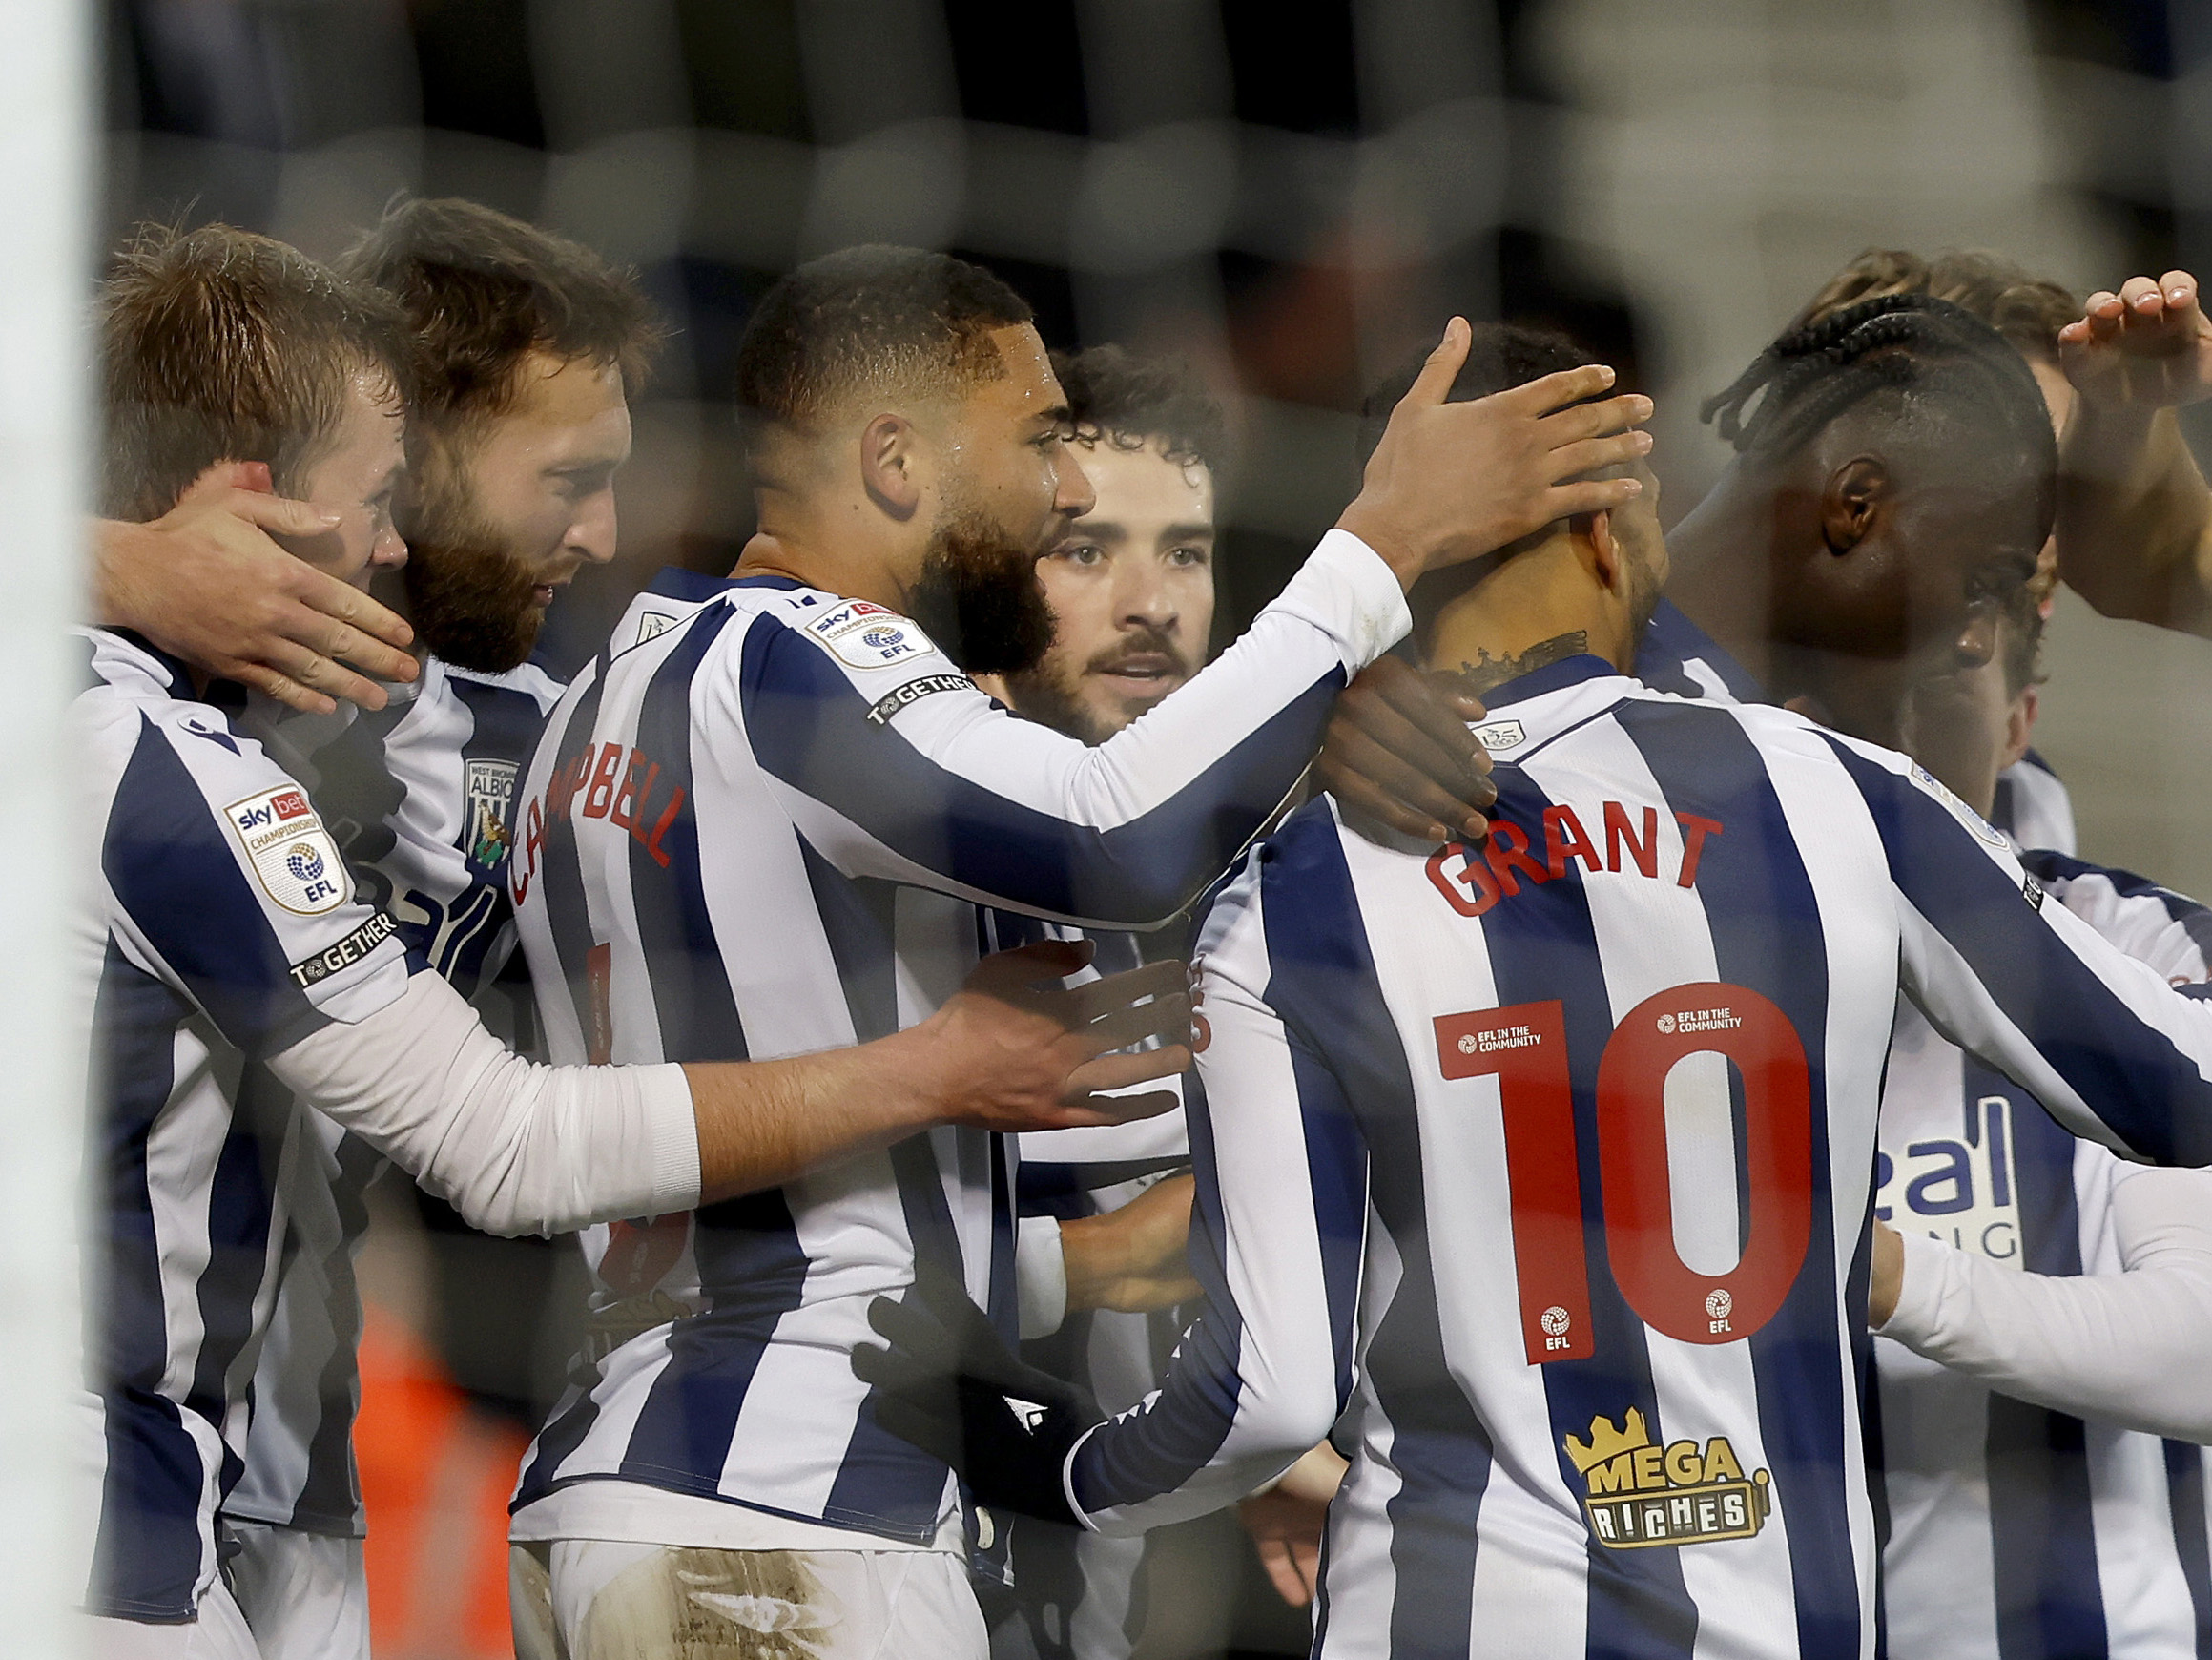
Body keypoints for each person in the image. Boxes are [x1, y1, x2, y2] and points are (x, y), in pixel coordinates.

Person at [853, 322, 2212, 1660]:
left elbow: (1265, 1400)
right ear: (1605, 532)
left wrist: (1063, 1472)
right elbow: (2184, 1085)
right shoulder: (1834, 798)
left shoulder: (1289, 883)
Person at [502, 245, 1654, 1659]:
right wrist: (1377, 550)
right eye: (1040, 443)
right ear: (892, 459)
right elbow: (1115, 835)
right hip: (786, 1513)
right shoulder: (787, 658)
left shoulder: (601, 702)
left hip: (642, 1485)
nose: (1059, 489)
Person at [74, 223, 1188, 1660]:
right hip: (127, 1493)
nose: (598, 534)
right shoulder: (155, 745)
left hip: (287, 1479)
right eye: (566, 481)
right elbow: (511, 1142)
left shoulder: (571, 741)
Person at [1864, 595, 2212, 1659]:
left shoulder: (2138, 950)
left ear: (2020, 723)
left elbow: (2202, 1350)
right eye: (1854, 693)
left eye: (1936, 687)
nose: (1872, 747)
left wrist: (1878, 1273)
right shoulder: (1692, 988)